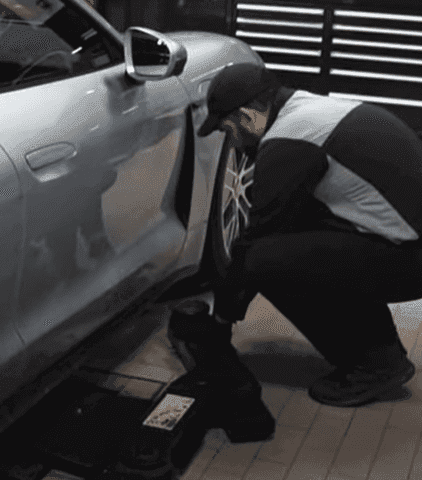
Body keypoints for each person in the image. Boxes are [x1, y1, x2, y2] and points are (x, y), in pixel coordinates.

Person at [168, 62, 422, 408]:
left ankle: (375, 366)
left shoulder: (289, 141)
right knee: (307, 243)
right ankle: (382, 354)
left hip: (408, 258)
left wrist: (222, 319)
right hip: (402, 243)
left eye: (229, 129)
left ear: (248, 115)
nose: (234, 140)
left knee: (266, 261)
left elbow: (255, 242)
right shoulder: (311, 111)